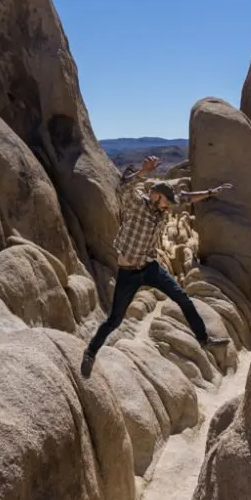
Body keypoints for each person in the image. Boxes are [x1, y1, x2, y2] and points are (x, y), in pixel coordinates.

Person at [81, 155, 234, 377]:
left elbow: (186, 197)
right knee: (114, 319)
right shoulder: (138, 205)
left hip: (150, 267)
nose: (168, 206)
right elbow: (122, 188)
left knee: (182, 297)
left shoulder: (163, 208)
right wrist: (144, 171)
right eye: (165, 201)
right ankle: (90, 352)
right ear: (155, 196)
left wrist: (211, 192)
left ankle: (204, 339)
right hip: (128, 272)